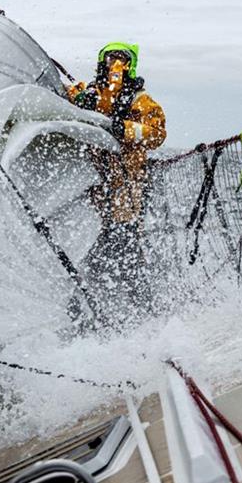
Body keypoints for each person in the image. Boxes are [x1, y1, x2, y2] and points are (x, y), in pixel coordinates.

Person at [66, 42, 166, 320]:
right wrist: (77, 100)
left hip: (126, 189)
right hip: (93, 190)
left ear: (131, 64)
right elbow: (67, 98)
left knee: (125, 249)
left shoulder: (141, 101)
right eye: (111, 57)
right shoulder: (90, 92)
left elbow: (157, 135)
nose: (115, 64)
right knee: (87, 251)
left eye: (121, 58)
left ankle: (145, 314)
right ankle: (87, 313)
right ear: (101, 60)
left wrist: (125, 129)